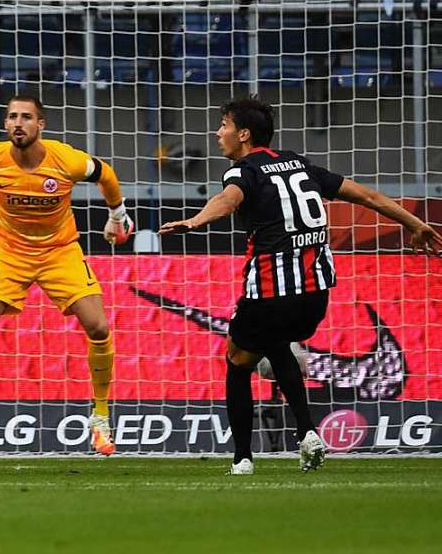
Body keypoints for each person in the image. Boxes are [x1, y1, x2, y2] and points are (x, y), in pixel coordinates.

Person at [159, 96, 441, 475]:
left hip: (271, 291)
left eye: (223, 125)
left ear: (243, 134)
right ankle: (307, 433)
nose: (218, 132)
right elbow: (368, 196)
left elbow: (228, 199)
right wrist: (414, 223)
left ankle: (242, 458)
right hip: (315, 296)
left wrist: (196, 221)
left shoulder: (244, 171)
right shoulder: (300, 165)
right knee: (277, 345)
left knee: (237, 361)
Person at [0, 95, 133, 455]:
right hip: (8, 253)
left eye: (26, 117)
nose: (17, 123)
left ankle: (100, 416)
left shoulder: (65, 159)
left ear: (41, 125)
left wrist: (117, 216)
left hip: (60, 251)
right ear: (5, 124)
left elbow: (106, 174)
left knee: (98, 327)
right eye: (11, 117)